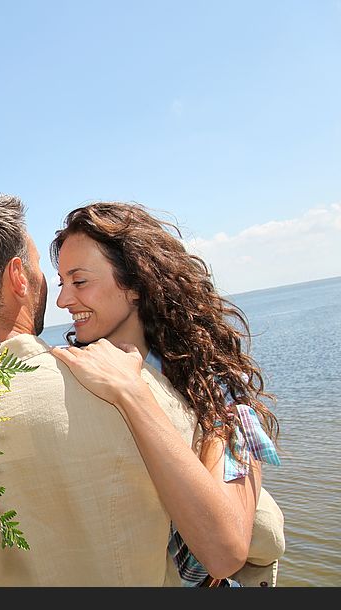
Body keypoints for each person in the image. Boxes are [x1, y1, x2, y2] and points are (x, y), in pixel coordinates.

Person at [0, 194, 200, 585]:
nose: (53, 293)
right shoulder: (134, 387)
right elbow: (253, 538)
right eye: (40, 270)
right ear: (19, 277)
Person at [49, 202, 283, 587]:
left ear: (136, 285)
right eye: (62, 284)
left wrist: (132, 394)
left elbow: (224, 552)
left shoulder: (215, 397)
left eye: (79, 281)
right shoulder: (69, 375)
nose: (63, 301)